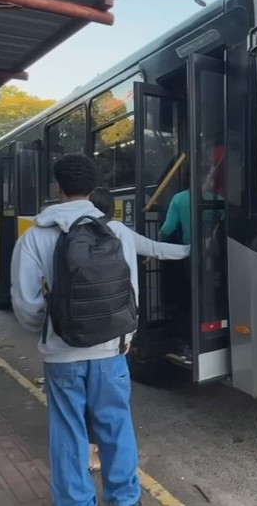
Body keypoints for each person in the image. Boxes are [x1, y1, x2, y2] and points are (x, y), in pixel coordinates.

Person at [11, 155, 142, 506]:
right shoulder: (117, 232)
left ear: (58, 188)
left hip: (62, 354)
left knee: (68, 431)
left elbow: (26, 303)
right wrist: (126, 338)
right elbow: (130, 293)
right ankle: (125, 499)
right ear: (94, 188)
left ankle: (75, 501)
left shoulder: (35, 236)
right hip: (111, 351)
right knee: (116, 426)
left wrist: (50, 330)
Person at [84, 187, 188, 472]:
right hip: (120, 325)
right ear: (111, 209)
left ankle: (89, 449)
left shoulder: (74, 233)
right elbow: (157, 249)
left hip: (84, 328)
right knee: (110, 393)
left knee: (88, 388)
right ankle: (100, 452)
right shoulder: (120, 231)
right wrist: (192, 250)